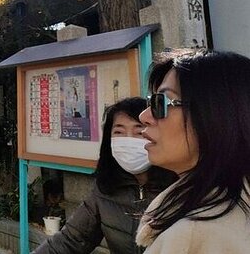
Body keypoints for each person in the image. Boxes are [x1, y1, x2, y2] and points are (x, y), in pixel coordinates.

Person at [135, 49, 250, 253]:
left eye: (160, 103)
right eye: (150, 102)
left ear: (217, 114)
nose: (144, 116)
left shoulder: (194, 237)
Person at [33, 97, 177, 254]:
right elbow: (70, 240)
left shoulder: (181, 187)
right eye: (119, 132)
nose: (128, 139)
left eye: (139, 131)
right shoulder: (105, 189)